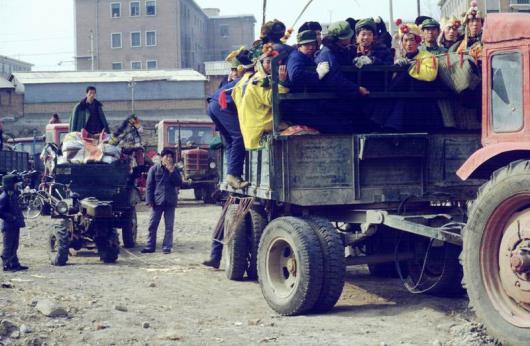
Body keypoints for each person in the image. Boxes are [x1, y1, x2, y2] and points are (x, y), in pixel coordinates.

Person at [372, 21, 442, 132]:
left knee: (403, 75)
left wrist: (410, 66)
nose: (409, 44)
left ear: (418, 41)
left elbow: (430, 76)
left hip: (422, 97)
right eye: (405, 40)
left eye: (412, 40)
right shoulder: (400, 58)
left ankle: (379, 118)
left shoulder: (428, 56)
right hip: (406, 97)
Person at [207, 48, 254, 190]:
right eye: (232, 70)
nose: (233, 73)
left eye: (235, 69)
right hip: (222, 106)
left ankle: (231, 175)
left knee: (230, 142)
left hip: (214, 106)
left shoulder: (240, 80)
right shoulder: (249, 79)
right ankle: (233, 174)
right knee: (239, 137)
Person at [235, 52, 288, 150]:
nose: (272, 65)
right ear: (260, 64)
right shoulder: (259, 80)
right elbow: (273, 100)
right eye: (268, 62)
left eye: (275, 62)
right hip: (261, 128)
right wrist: (282, 83)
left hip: (251, 129)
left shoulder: (247, 79)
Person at [143, 149, 182, 254]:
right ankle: (150, 246)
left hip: (170, 201)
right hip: (157, 201)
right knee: (152, 225)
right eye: (166, 156)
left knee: (169, 226)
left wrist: (172, 171)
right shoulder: (154, 169)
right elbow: (149, 186)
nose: (169, 159)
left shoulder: (175, 170)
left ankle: (167, 247)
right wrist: (149, 200)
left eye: (171, 157)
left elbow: (179, 182)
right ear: (161, 157)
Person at [1, 175, 28, 272]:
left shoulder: (12, 194)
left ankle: (14, 264)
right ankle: (6, 265)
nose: (17, 185)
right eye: (15, 184)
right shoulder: (4, 196)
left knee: (14, 245)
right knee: (8, 246)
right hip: (8, 225)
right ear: (10, 184)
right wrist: (11, 217)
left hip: (14, 224)